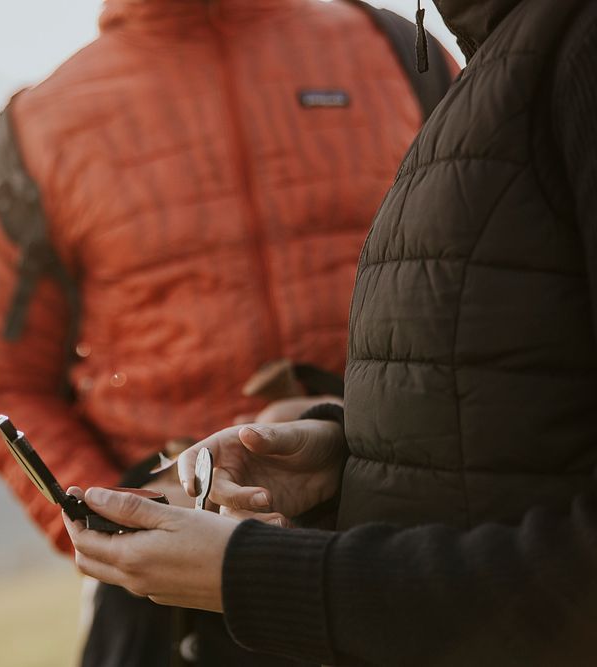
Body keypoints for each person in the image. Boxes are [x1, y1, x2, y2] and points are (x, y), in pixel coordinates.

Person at [63, 0, 597, 664]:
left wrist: (261, 574)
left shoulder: (410, 47)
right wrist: (346, 453)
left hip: (311, 592)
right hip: (242, 579)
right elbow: (524, 384)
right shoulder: (43, 116)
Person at [0, 0, 454, 665]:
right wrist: (121, 518)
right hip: (168, 605)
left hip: (407, 551)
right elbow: (9, 379)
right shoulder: (36, 127)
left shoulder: (397, 49)